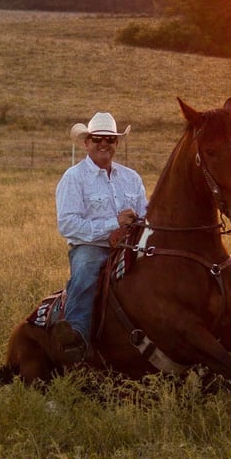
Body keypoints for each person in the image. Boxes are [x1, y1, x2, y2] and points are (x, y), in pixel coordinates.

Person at [54, 112, 148, 364]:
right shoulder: (74, 178)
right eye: (97, 139)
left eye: (110, 139)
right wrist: (112, 224)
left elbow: (147, 214)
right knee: (85, 269)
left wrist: (137, 222)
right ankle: (77, 338)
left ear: (116, 143)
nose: (104, 144)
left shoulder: (132, 178)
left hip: (130, 245)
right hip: (91, 247)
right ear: (86, 142)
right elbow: (68, 224)